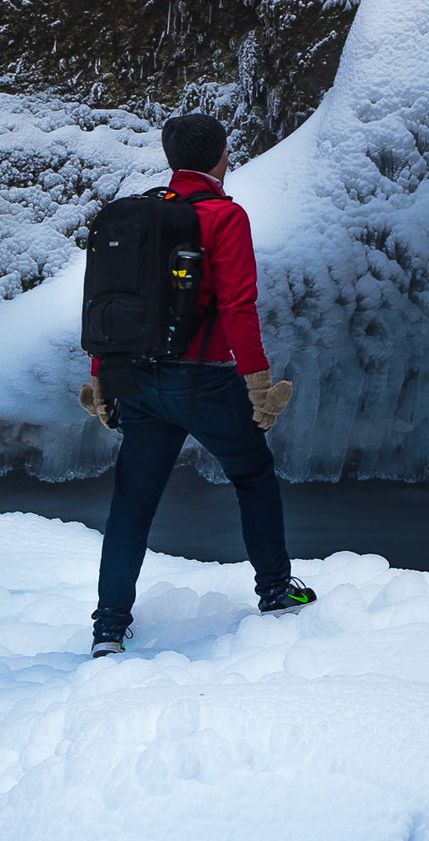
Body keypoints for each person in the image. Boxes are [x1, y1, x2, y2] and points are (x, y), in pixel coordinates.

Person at [84, 112, 314, 656]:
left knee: (132, 504)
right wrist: (257, 382)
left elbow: (104, 300)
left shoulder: (135, 215)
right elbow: (238, 304)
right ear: (222, 157)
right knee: (253, 474)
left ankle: (108, 629)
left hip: (137, 379)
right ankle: (277, 590)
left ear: (171, 158)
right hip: (204, 381)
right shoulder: (223, 216)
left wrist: (101, 378)